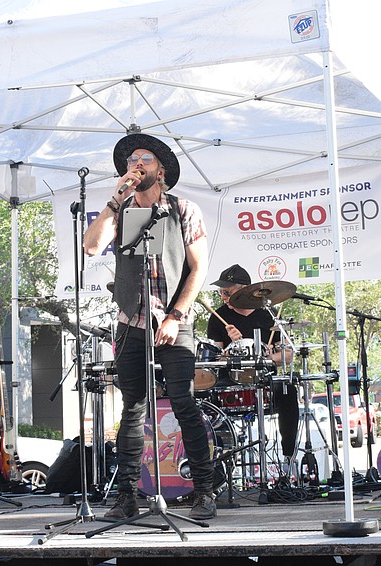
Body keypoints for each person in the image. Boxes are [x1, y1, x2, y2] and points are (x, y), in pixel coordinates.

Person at [83, 133, 215, 520]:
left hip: (174, 320)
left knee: (184, 404)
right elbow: (91, 247)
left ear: (161, 170)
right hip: (131, 321)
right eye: (131, 159)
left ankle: (203, 492)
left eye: (145, 158)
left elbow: (199, 268)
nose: (136, 163)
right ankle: (126, 497)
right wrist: (113, 199)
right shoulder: (121, 211)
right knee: (132, 409)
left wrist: (175, 316)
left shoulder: (182, 209)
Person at [206, 264, 299, 475]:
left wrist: (265, 358)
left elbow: (287, 355)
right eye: (221, 292)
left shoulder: (269, 315)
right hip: (230, 384)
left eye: (227, 292)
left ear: (246, 289)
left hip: (265, 382)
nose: (223, 297)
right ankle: (218, 469)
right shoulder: (218, 317)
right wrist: (231, 349)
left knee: (289, 391)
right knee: (206, 401)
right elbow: (213, 360)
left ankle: (288, 457)